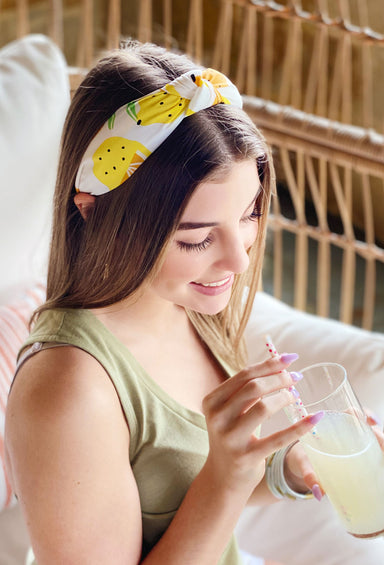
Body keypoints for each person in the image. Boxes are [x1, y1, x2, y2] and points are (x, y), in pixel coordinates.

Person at [5, 40, 329, 565]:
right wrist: (224, 480)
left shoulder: (184, 302)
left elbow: (182, 494)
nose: (239, 263)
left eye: (248, 214)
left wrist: (289, 469)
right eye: (196, 238)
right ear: (94, 212)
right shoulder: (67, 392)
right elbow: (210, 489)